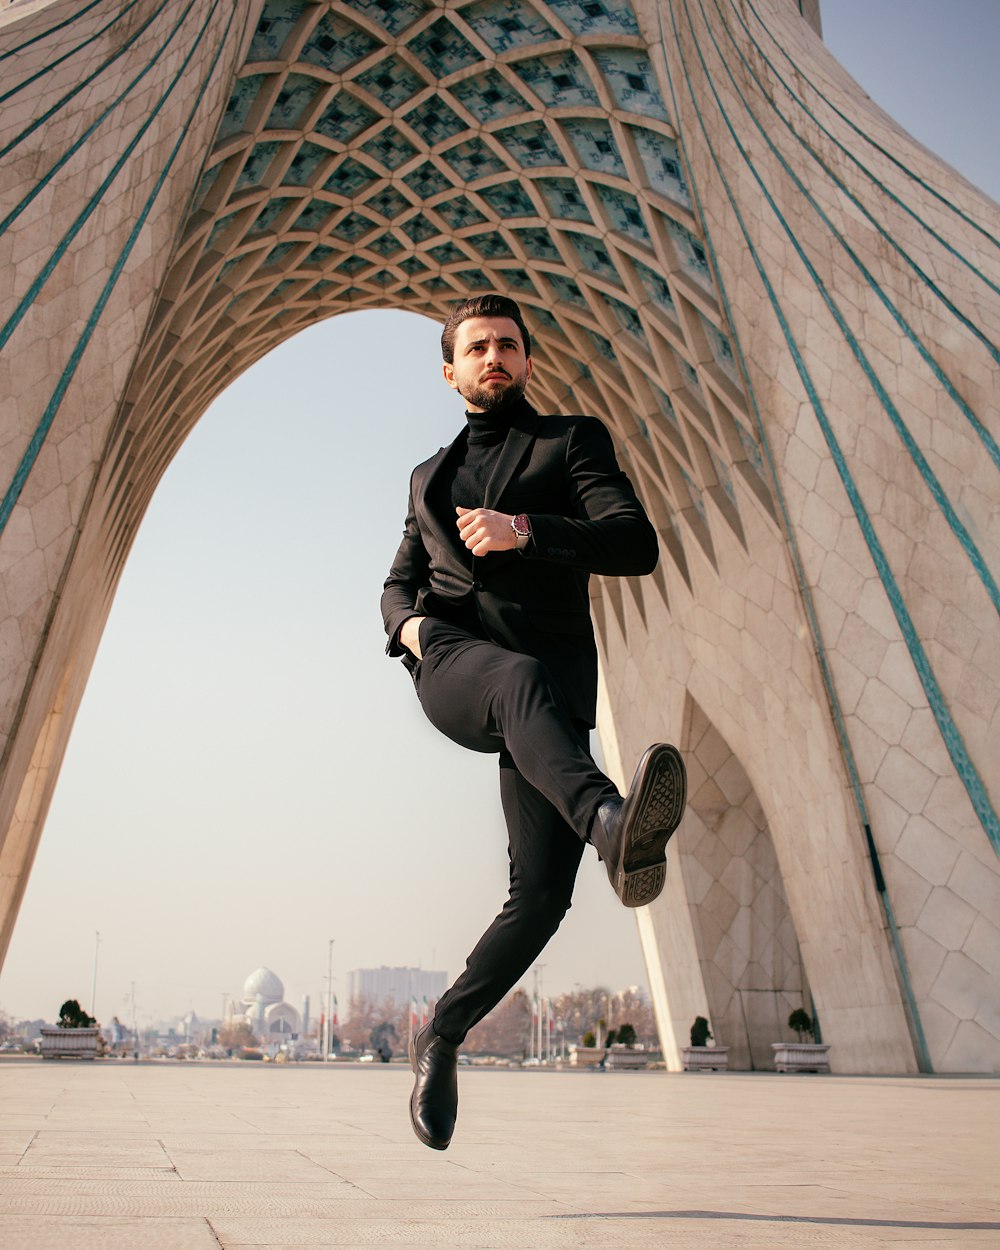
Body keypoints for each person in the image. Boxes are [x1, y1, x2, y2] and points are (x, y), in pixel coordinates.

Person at [381, 293, 686, 1150]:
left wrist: (527, 531)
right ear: (450, 371)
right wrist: (408, 628)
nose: (495, 358)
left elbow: (633, 542)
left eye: (508, 346)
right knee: (512, 678)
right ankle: (609, 820)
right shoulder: (426, 478)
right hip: (453, 668)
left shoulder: (570, 442)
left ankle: (439, 1034)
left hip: (544, 703)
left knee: (543, 898)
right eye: (477, 347)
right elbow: (396, 580)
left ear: (526, 361)